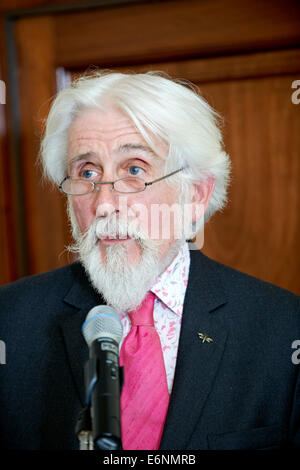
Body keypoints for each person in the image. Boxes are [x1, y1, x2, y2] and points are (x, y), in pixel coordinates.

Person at [0, 71, 299, 450]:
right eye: (87, 172)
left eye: (134, 170)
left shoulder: (284, 329)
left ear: (195, 194)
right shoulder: (8, 321)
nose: (104, 204)